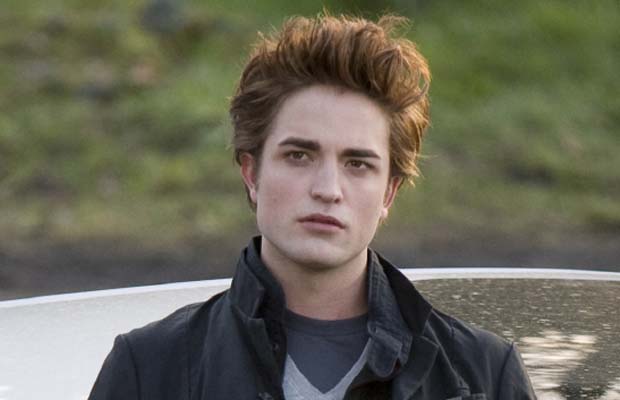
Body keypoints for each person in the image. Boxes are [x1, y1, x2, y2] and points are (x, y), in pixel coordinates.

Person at [89, 13, 536, 400]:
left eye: (357, 164)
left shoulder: (482, 374)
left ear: (389, 193)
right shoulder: (150, 368)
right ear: (251, 173)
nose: (328, 189)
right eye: (299, 156)